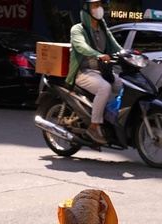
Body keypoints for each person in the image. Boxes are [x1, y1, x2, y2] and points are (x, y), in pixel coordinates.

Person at [66, 0, 123, 146]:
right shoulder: (77, 29)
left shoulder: (103, 27)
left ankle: (110, 119)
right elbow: (81, 46)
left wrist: (128, 54)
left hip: (101, 70)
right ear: (86, 8)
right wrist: (97, 54)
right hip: (83, 72)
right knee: (104, 88)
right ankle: (94, 126)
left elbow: (115, 45)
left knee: (121, 85)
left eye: (100, 5)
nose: (99, 8)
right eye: (95, 5)